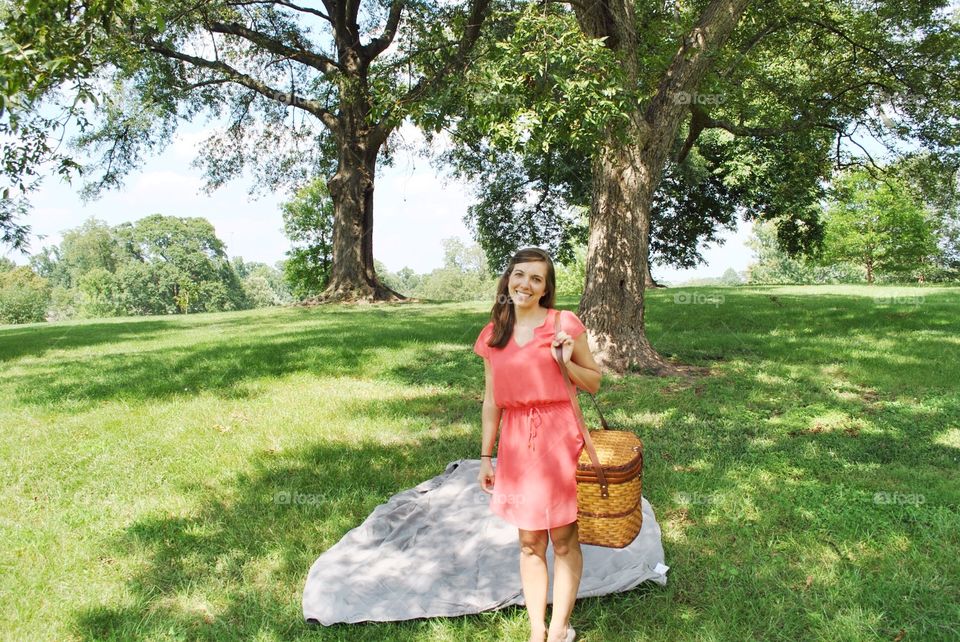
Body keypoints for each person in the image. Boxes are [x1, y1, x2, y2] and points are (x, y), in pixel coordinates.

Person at [472, 247, 602, 642]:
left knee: (563, 538)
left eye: (536, 279)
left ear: (546, 289)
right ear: (507, 278)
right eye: (520, 274)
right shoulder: (494, 333)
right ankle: (536, 630)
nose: (525, 284)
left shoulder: (563, 323)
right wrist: (485, 457)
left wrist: (565, 361)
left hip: (560, 435)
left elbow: (594, 381)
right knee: (530, 540)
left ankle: (561, 627)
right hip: (516, 440)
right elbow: (493, 401)